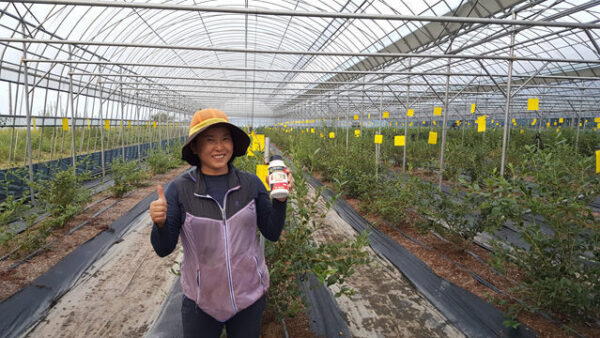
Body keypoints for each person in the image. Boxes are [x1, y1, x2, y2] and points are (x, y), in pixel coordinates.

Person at [149, 108, 293, 338]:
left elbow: (272, 232)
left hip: (249, 297)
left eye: (225, 139)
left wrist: (281, 201)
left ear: (233, 144)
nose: (219, 147)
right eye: (210, 140)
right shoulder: (180, 190)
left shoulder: (250, 184)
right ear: (195, 147)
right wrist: (160, 223)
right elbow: (163, 248)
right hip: (201, 302)